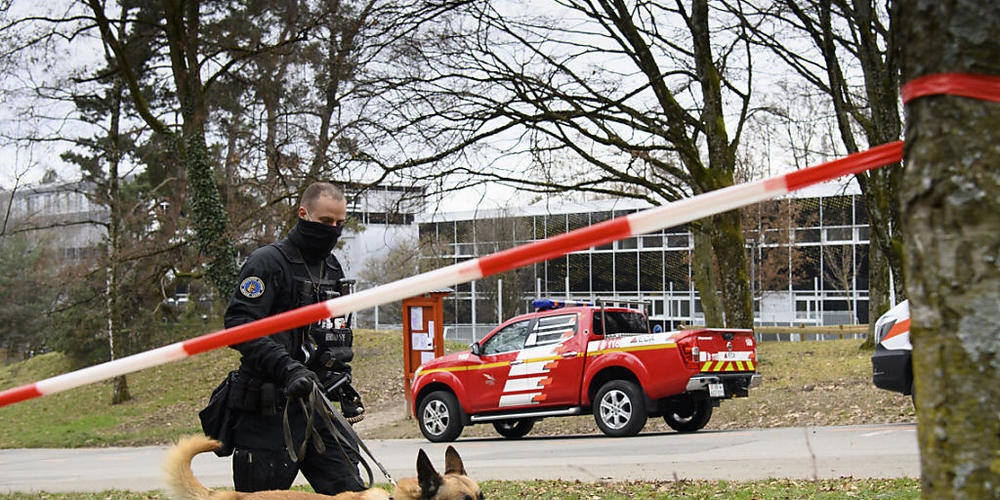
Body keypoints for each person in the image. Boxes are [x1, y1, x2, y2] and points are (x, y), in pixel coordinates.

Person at [222, 182, 365, 494]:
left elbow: (333, 328)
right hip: (268, 408)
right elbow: (239, 325)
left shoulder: (331, 267)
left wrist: (340, 374)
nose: (333, 230)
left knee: (352, 491)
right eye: (326, 222)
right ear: (303, 213)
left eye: (340, 223)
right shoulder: (267, 262)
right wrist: (288, 368)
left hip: (318, 407)